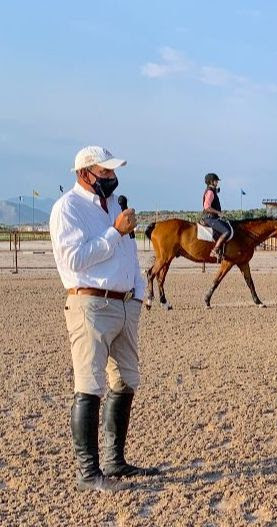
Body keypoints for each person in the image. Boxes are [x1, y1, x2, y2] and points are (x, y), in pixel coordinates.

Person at [50, 145, 160, 492]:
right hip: (91, 306)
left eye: (113, 173)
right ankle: (88, 474)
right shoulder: (67, 209)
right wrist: (114, 231)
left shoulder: (114, 206)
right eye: (106, 172)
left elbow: (127, 254)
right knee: (89, 386)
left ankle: (115, 461)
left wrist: (138, 294)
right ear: (85, 174)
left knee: (126, 381)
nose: (112, 178)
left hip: (125, 305)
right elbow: (75, 260)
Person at [201, 173, 232, 261]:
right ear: (211, 181)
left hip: (213, 218)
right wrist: (219, 213)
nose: (217, 182)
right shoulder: (210, 192)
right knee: (226, 231)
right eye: (216, 180)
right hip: (210, 218)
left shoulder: (212, 190)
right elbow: (207, 207)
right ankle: (214, 250)